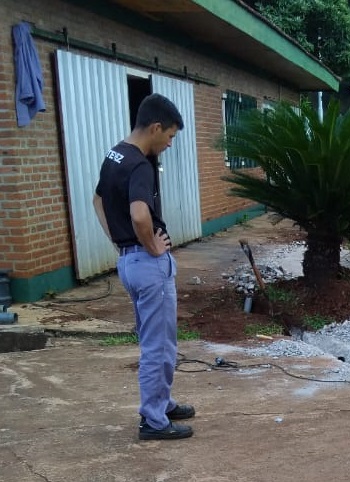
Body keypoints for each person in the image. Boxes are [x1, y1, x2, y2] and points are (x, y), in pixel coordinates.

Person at [93, 94, 195, 440]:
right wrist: (150, 245)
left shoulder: (114, 155)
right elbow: (139, 214)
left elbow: (97, 200)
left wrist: (120, 243)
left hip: (129, 262)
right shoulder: (138, 164)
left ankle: (161, 402)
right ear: (155, 128)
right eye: (169, 137)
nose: (169, 144)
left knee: (157, 340)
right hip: (147, 265)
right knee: (158, 345)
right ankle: (153, 419)